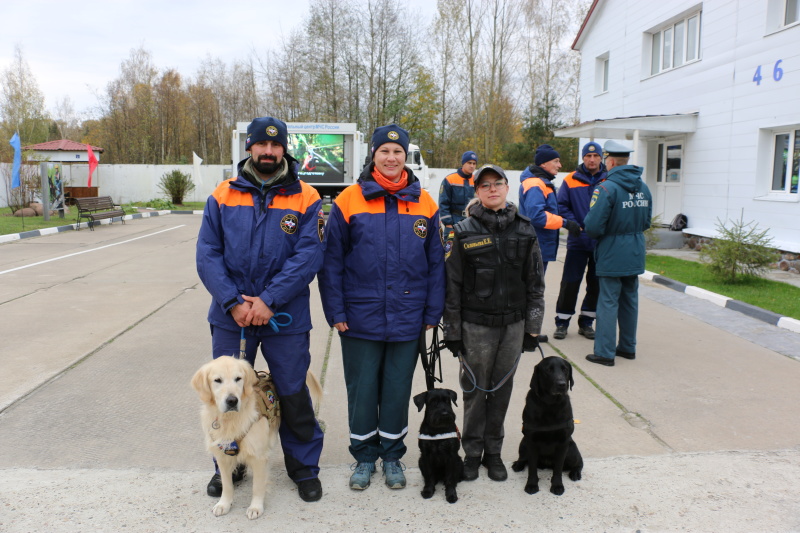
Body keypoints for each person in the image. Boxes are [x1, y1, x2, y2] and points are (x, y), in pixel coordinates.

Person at [196, 116, 326, 502]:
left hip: (284, 316)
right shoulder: (222, 195)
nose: (268, 151)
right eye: (261, 145)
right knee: (225, 394)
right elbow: (207, 255)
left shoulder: (307, 197)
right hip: (230, 316)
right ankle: (227, 466)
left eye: (276, 145)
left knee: (291, 390)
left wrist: (268, 300)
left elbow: (308, 256)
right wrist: (234, 302)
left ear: (284, 149)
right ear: (249, 148)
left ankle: (303, 467)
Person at [318, 124, 446, 491]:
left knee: (396, 389)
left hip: (407, 317)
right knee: (361, 392)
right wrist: (336, 312)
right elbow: (331, 264)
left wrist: (431, 312)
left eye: (398, 153)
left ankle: (392, 457)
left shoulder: (425, 202)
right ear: (373, 155)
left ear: (406, 157)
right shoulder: (348, 200)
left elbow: (436, 263)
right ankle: (363, 458)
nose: (391, 158)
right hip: (359, 317)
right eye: (384, 152)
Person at [443, 164, 546, 483]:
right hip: (476, 327)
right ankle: (472, 453)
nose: (492, 189)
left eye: (497, 183)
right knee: (474, 392)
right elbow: (452, 286)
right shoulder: (462, 231)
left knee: (501, 391)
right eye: (484, 185)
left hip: (513, 327)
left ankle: (494, 453)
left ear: (506, 187)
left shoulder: (525, 229)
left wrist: (533, 328)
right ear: (476, 192)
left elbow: (535, 283)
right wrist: (453, 332)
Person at [583, 140, 652, 366]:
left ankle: (604, 352)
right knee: (630, 299)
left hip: (612, 251)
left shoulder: (606, 188)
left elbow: (593, 226)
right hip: (634, 249)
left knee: (608, 301)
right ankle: (627, 347)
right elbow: (647, 221)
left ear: (610, 161)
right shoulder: (643, 187)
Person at [552, 141, 607, 341]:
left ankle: (586, 322)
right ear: (583, 158)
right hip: (577, 242)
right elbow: (561, 206)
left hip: (601, 243)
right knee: (570, 282)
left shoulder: (608, 179)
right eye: (587, 156)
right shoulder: (570, 180)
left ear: (601, 158)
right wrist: (575, 225)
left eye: (595, 156)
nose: (591, 160)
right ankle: (562, 321)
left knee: (596, 284)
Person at [519, 144, 582, 274]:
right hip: (535, 247)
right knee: (533, 289)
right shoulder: (535, 184)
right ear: (543, 164)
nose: (560, 165)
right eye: (556, 161)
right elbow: (536, 216)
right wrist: (565, 223)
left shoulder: (540, 182)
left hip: (538, 245)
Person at [439, 151, 478, 238]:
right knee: (450, 250)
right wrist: (448, 224)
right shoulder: (450, 180)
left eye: (474, 163)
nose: (472, 166)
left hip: (472, 222)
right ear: (463, 163)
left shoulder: (477, 181)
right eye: (469, 163)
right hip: (454, 222)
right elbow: (443, 203)